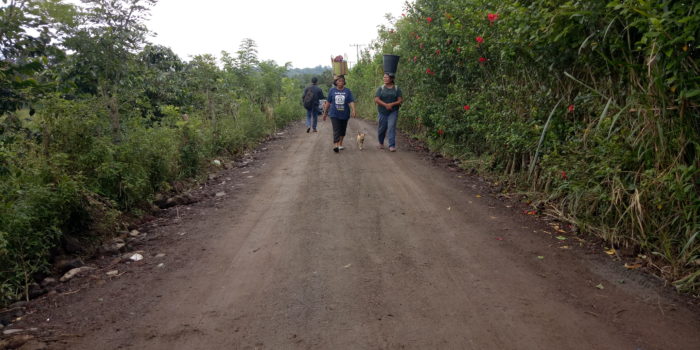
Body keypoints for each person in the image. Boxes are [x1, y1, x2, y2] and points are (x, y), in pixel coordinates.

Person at [322, 75, 356, 153]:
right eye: (339, 81)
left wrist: (353, 110)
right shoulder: (332, 91)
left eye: (342, 81)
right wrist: (325, 113)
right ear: (336, 82)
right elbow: (328, 102)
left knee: (343, 130)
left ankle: (340, 144)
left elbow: (351, 101)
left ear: (344, 82)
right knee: (336, 129)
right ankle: (336, 145)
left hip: (345, 114)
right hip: (334, 113)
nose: (340, 82)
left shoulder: (347, 91)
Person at [374, 73, 403, 152]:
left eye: (386, 77)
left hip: (393, 111)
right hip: (382, 111)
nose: (384, 78)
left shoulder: (396, 89)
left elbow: (400, 100)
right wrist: (386, 105)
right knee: (382, 128)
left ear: (391, 79)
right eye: (384, 77)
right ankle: (381, 143)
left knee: (391, 127)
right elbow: (376, 99)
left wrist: (392, 104)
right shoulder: (381, 88)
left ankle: (392, 145)